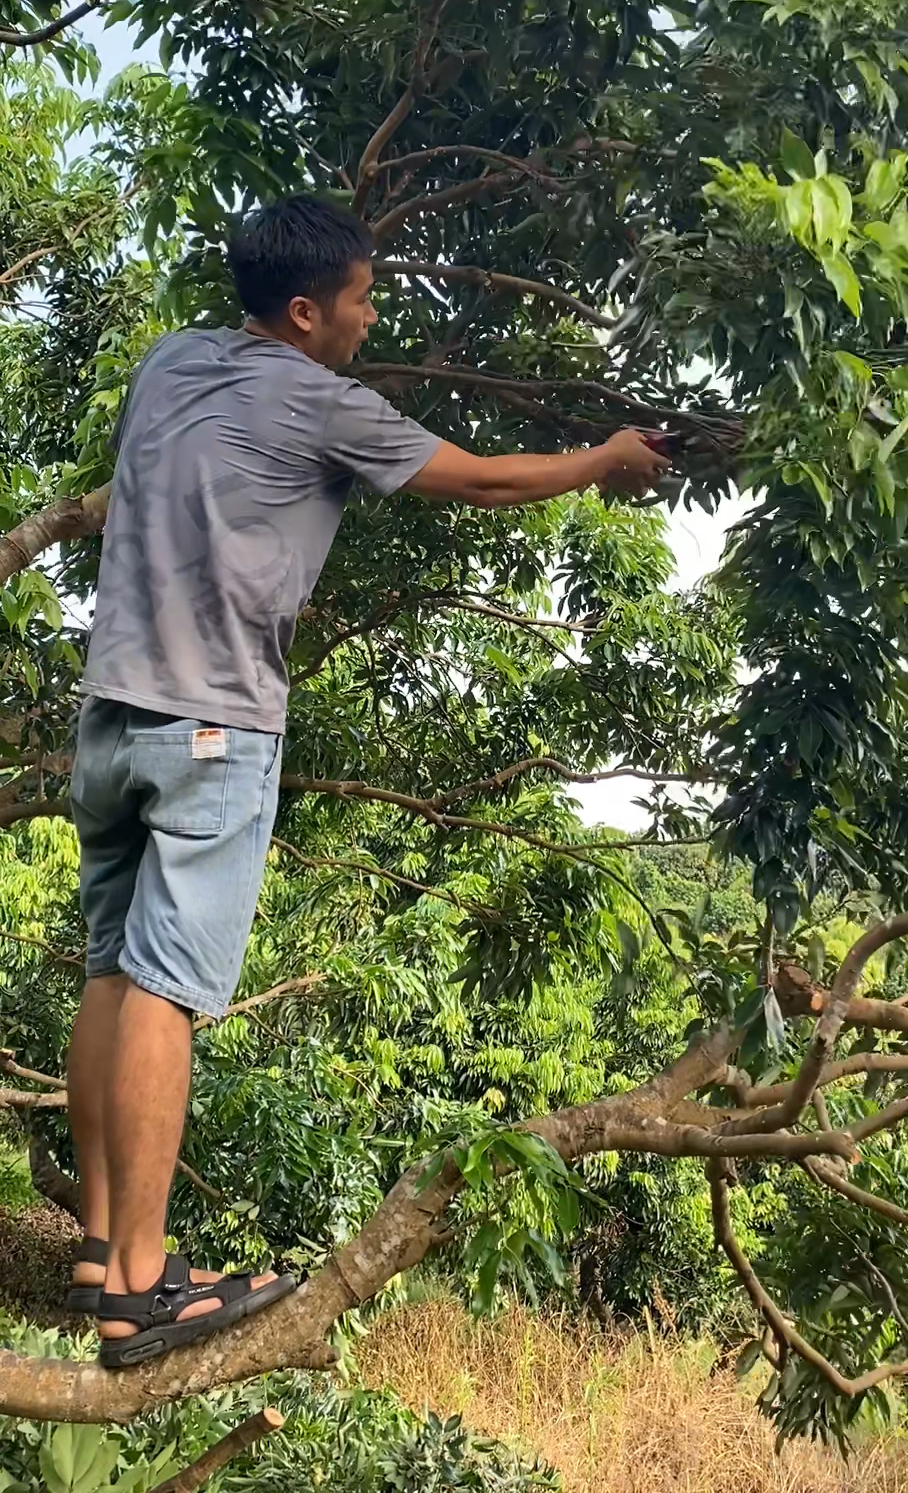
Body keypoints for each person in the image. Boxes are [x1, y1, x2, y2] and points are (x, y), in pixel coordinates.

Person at [63, 194, 670, 1368]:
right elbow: (487, 482)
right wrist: (604, 459)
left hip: (110, 718)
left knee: (109, 970)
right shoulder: (319, 401)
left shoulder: (169, 361)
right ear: (304, 312)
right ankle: (141, 1286)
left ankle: (100, 1243)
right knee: (164, 989)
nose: (371, 315)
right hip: (212, 724)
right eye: (360, 299)